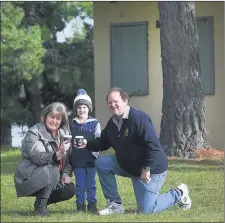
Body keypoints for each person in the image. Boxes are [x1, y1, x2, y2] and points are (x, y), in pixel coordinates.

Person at [76, 87, 192, 215]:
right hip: (129, 166)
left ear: (125, 100)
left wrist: (147, 168)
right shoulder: (112, 123)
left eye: (115, 101)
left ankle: (180, 193)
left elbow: (153, 145)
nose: (112, 105)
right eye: (109, 102)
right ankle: (115, 205)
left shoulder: (139, 118)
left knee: (147, 210)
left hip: (152, 169)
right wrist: (87, 144)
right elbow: (102, 143)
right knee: (102, 163)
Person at [14, 102, 76, 217]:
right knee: (52, 170)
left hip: (53, 176)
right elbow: (37, 157)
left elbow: (69, 160)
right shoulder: (34, 133)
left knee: (70, 189)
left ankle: (40, 201)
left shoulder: (65, 134)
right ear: (44, 117)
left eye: (58, 118)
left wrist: (66, 174)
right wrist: (57, 153)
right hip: (30, 175)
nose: (55, 121)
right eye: (52, 117)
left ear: (62, 121)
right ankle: (40, 208)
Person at [69, 89, 101, 213]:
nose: (82, 110)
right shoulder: (72, 124)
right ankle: (80, 205)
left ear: (89, 109)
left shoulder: (94, 123)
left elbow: (98, 141)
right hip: (77, 159)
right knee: (80, 184)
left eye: (84, 107)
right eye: (79, 107)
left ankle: (92, 204)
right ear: (76, 109)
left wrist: (96, 153)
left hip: (91, 159)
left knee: (91, 184)